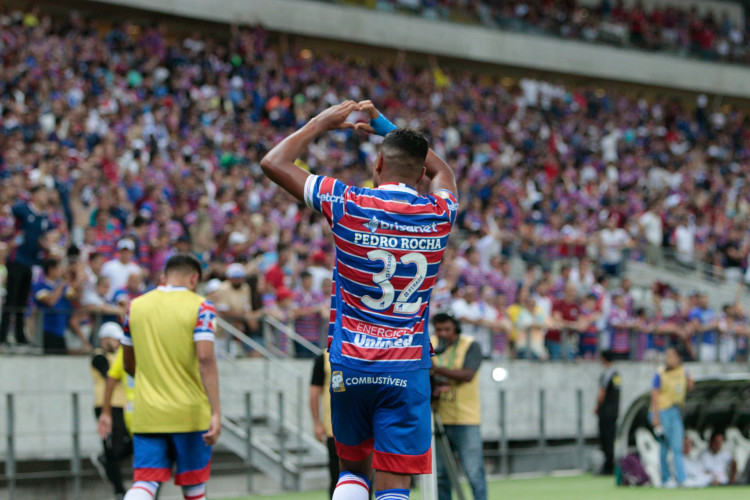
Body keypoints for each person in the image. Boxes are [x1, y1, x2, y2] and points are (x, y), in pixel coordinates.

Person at [261, 100, 458, 500]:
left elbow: (273, 162)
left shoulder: (346, 201)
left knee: (352, 472)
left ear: (377, 167)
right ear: (419, 175)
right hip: (406, 367)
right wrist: (387, 126)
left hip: (350, 361)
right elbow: (444, 171)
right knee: (394, 483)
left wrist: (323, 122)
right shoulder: (440, 212)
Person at [119, 254, 221, 500]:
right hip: (190, 413)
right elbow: (205, 359)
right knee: (194, 488)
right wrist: (216, 411)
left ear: (165, 275)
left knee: (145, 483)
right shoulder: (201, 306)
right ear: (194, 278)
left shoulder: (135, 306)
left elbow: (128, 362)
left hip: (148, 412)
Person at [430, 313, 487, 500]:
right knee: (440, 476)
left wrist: (437, 370)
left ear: (456, 328)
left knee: (474, 473)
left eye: (447, 329)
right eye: (438, 330)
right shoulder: (431, 345)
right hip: (438, 418)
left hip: (466, 419)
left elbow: (467, 375)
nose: (443, 334)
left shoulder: (471, 345)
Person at [0, 185, 52, 350]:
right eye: (43, 193)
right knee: (12, 297)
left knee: (23, 300)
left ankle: (19, 335)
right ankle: (3, 335)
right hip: (17, 259)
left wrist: (46, 246)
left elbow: (40, 237)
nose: (45, 197)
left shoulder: (43, 216)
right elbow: (8, 210)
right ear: (34, 195)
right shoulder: (23, 209)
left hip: (31, 262)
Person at [91, 322, 131, 500]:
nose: (117, 343)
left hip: (122, 405)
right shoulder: (98, 356)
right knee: (114, 447)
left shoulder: (119, 355)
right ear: (105, 339)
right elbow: (111, 375)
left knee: (123, 445)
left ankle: (105, 460)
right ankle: (119, 489)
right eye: (114, 339)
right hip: (105, 406)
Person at [650, 347, 693, 488]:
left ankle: (682, 478)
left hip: (676, 410)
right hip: (662, 411)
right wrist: (655, 417)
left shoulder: (683, 371)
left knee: (677, 446)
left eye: (671, 356)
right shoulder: (660, 373)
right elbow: (654, 396)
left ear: (678, 358)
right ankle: (666, 478)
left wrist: (691, 381)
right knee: (664, 445)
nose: (668, 359)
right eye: (667, 356)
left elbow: (688, 388)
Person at [33, 258, 87, 354]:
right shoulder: (39, 286)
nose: (61, 271)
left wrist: (80, 279)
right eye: (58, 268)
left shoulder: (62, 287)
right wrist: (62, 283)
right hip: (47, 330)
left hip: (61, 330)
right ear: (51, 269)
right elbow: (51, 302)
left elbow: (77, 298)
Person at [310, 351, 339, 499]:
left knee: (365, 477)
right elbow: (314, 391)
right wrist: (317, 423)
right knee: (337, 477)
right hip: (333, 429)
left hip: (363, 429)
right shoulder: (324, 358)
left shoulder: (362, 352)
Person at [594, 350, 620, 475]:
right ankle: (611, 463)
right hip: (614, 410)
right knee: (611, 438)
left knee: (605, 438)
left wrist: (597, 406)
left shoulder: (607, 374)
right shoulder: (617, 374)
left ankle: (608, 465)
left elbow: (602, 393)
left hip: (605, 411)